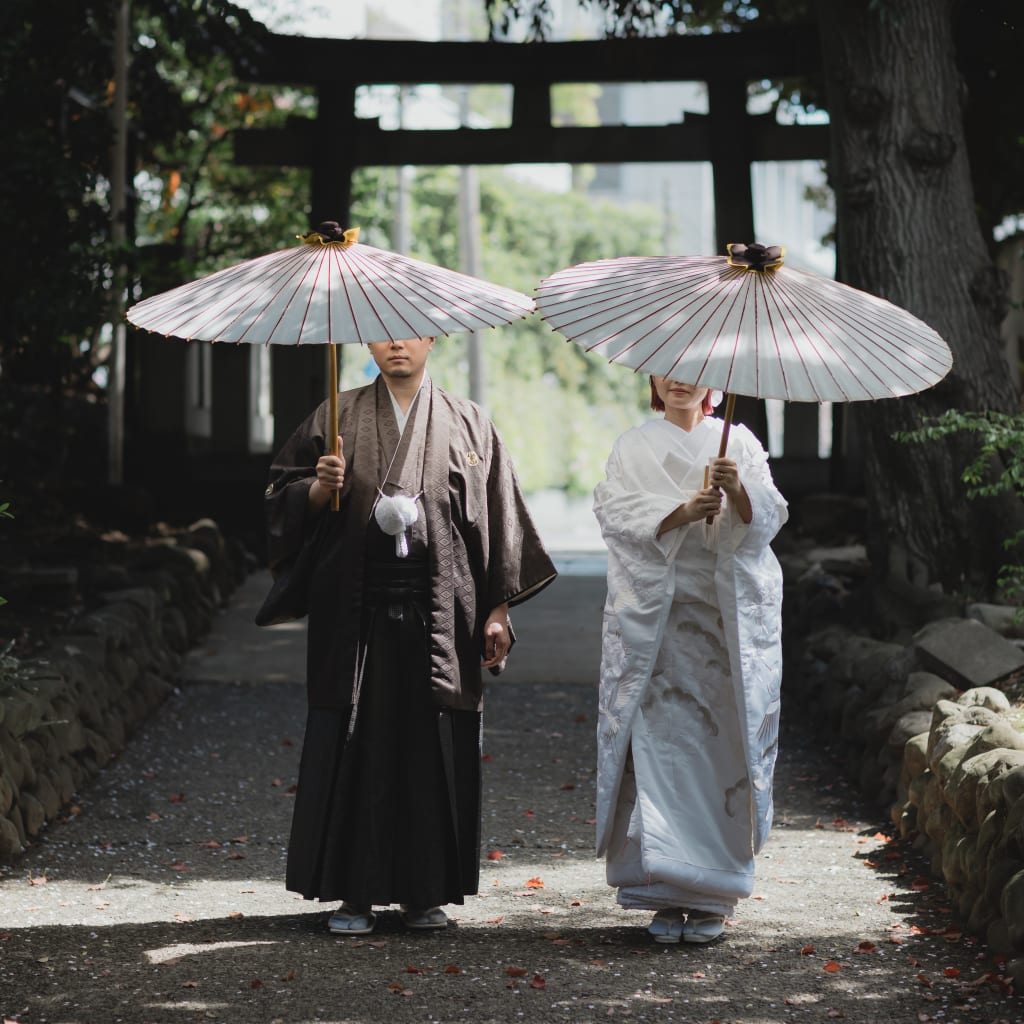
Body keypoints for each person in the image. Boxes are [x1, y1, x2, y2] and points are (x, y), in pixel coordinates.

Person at [262, 335, 556, 935]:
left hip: (442, 612)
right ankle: (354, 894)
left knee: (432, 752)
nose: (397, 342)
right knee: (356, 745)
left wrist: (498, 608)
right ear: (369, 340)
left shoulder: (470, 422)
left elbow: (498, 520)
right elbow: (276, 503)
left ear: (432, 338)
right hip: (357, 614)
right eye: (384, 331)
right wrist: (318, 489)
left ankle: (426, 892)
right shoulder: (335, 413)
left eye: (411, 330)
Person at [592, 377, 787, 945]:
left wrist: (738, 493)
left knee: (717, 751)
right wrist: (682, 510)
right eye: (665, 367)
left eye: (694, 367)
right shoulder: (633, 444)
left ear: (717, 384)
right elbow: (614, 514)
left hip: (719, 625)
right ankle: (661, 890)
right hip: (656, 624)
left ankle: (711, 896)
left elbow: (767, 521)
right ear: (651, 379)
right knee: (657, 754)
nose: (678, 377)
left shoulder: (740, 444)